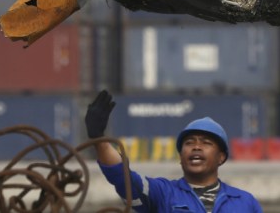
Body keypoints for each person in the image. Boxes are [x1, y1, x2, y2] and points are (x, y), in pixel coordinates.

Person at [85, 90, 263, 212]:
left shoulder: (245, 202)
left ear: (221, 157)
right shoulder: (162, 193)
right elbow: (124, 179)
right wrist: (100, 140)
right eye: (189, 143)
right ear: (181, 156)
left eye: (206, 143)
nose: (196, 147)